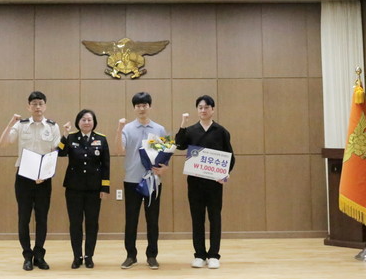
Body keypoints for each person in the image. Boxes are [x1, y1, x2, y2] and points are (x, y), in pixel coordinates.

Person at [0, 91, 62, 271]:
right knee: (24, 218)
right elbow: (3, 143)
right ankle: (27, 255)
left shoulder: (52, 126)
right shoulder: (20, 125)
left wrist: (46, 174)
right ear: (29, 107)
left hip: (44, 178)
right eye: (34, 104)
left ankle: (39, 255)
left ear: (45, 106)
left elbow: (56, 151)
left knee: (42, 218)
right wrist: (10, 123)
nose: (37, 107)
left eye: (40, 103)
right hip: (24, 177)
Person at [175, 94, 235, 270]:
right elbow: (179, 144)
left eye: (206, 107)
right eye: (200, 107)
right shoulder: (191, 130)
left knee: (215, 218)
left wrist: (225, 174)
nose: (203, 110)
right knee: (197, 219)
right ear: (197, 110)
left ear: (212, 109)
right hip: (195, 183)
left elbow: (230, 157)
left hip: (215, 183)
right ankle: (200, 255)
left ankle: (214, 255)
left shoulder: (221, 131)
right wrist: (183, 124)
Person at [115, 91, 168, 270]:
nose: (141, 108)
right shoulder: (127, 128)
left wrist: (164, 168)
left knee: (152, 219)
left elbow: (164, 156)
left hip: (153, 181)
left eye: (144, 105)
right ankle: (131, 255)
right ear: (134, 108)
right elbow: (119, 150)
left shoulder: (159, 129)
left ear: (149, 106)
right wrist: (119, 129)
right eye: (138, 105)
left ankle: (152, 256)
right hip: (132, 180)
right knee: (131, 219)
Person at [58, 109, 110, 269]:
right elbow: (60, 153)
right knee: (75, 223)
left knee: (92, 223)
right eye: (83, 119)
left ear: (94, 122)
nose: (86, 122)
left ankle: (89, 256)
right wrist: (64, 134)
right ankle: (77, 256)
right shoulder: (71, 137)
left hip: (94, 189)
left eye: (89, 120)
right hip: (74, 188)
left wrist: (105, 187)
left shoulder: (101, 139)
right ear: (78, 122)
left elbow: (106, 165)